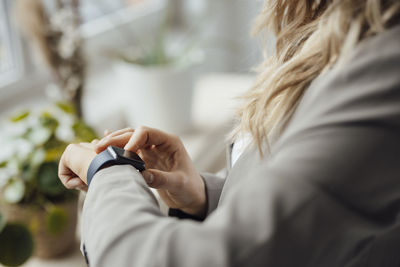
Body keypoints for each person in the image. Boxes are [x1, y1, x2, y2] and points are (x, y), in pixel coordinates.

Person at [58, 1, 400, 266]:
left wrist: (108, 170)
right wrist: (205, 197)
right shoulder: (328, 29)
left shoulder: (385, 70)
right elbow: (314, 215)